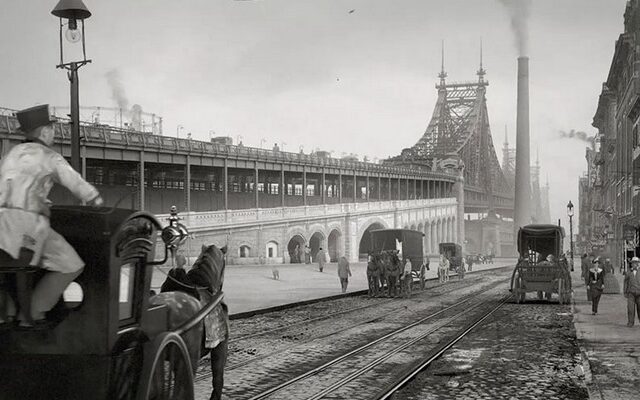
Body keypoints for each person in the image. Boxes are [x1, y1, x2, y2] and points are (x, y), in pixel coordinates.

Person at [0, 105, 103, 327]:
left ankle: (7, 312)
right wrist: (94, 197)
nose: (54, 134)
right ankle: (33, 314)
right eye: (52, 129)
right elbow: (71, 179)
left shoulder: (10, 155)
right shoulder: (48, 156)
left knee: (9, 267)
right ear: (44, 132)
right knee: (71, 263)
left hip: (2, 225)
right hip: (28, 224)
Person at [624, 257, 640, 327]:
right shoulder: (629, 272)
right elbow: (625, 282)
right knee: (630, 308)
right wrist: (625, 291)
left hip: (639, 293)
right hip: (631, 293)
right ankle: (630, 322)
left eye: (635, 263)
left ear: (638, 263)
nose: (634, 264)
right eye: (633, 263)